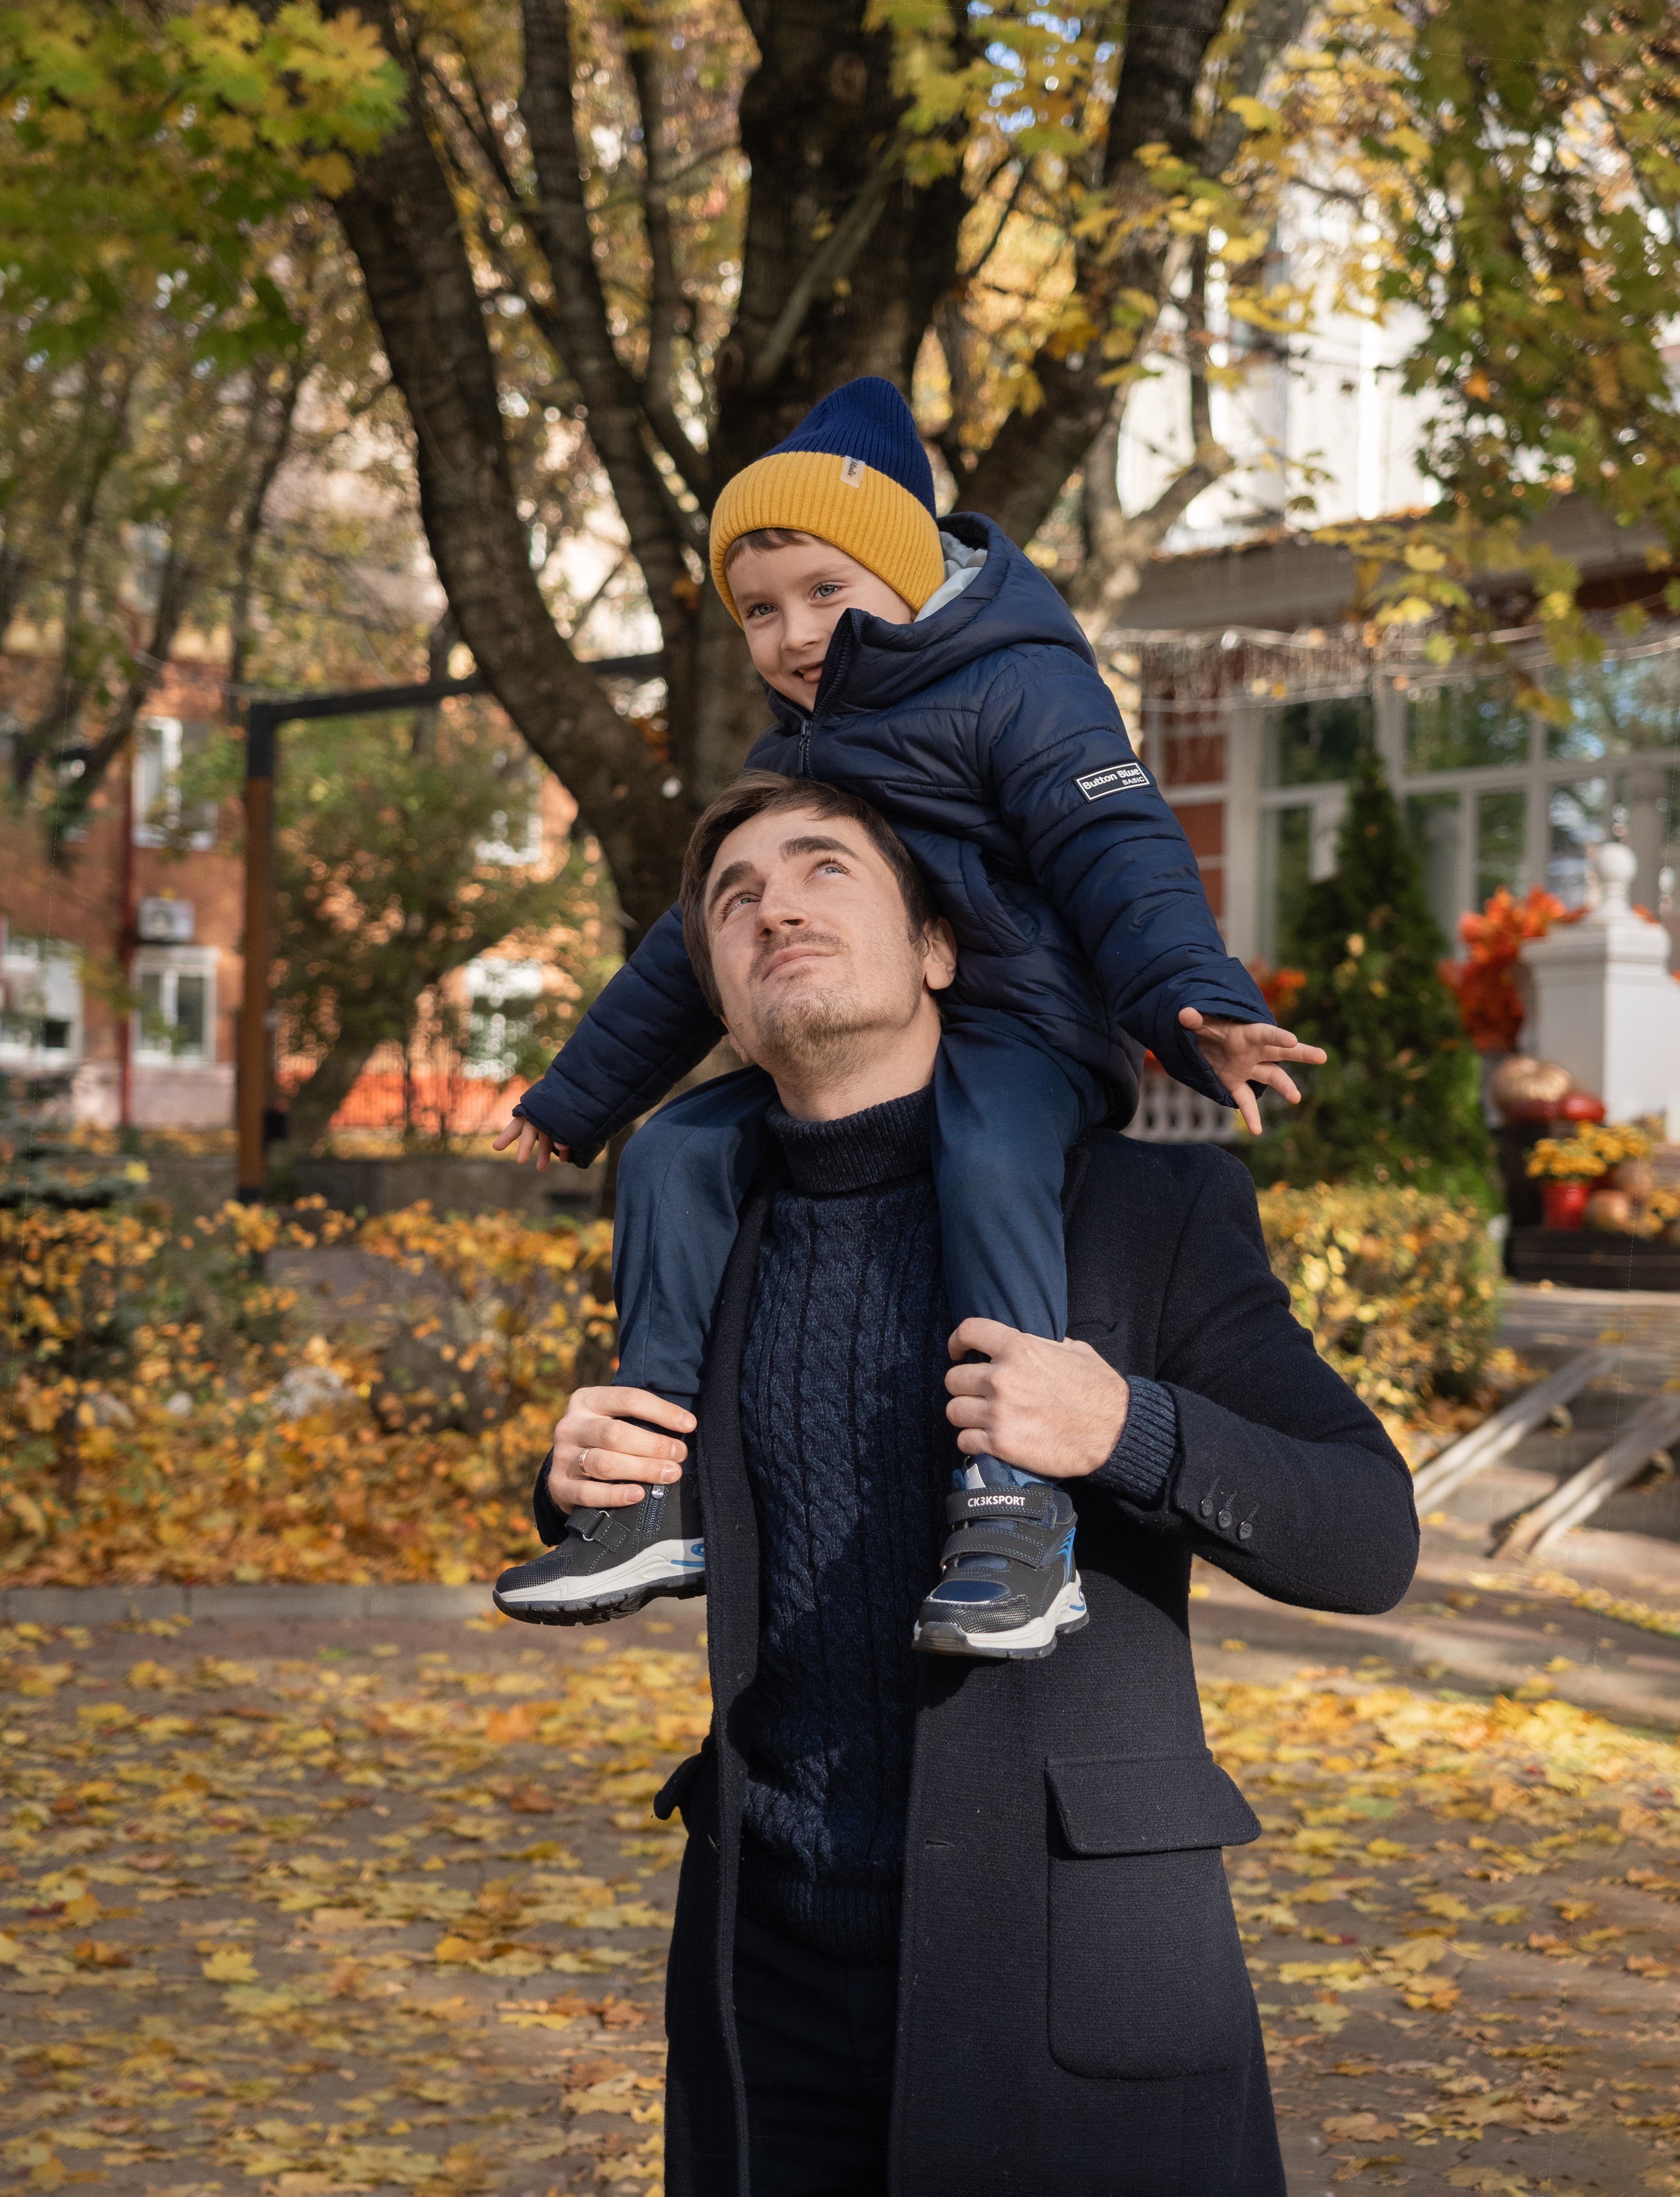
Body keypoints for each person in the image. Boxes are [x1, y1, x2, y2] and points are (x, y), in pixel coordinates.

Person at [528, 777, 1419, 2197]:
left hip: (1069, 1967)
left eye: (823, 868)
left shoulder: (1136, 1212)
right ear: (712, 983)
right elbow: (701, 1491)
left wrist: (1124, 1423)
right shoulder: (703, 1215)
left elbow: (1367, 1536)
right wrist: (578, 1474)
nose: (775, 906)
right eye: (734, 895)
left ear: (938, 945)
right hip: (767, 1980)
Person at [492, 375, 1323, 1655]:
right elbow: (684, 948)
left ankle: (1012, 1507)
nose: (790, 634)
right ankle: (648, 1488)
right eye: (758, 611)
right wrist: (579, 1097)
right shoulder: (795, 756)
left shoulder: (1019, 686)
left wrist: (1190, 1005)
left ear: (910, 572)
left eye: (825, 593)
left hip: (1024, 1029)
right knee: (674, 1150)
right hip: (869, 1059)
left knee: (986, 1149)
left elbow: (1115, 844)